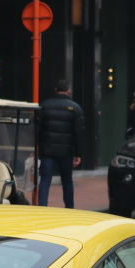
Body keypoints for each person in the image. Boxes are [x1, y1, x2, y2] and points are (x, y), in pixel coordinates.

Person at [37, 79, 86, 208]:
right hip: (66, 152)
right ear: (68, 91)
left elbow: (37, 129)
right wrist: (78, 154)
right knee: (67, 181)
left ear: (56, 90)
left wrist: (36, 147)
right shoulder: (75, 108)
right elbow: (79, 134)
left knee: (45, 179)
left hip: (47, 150)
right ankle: (69, 208)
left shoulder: (44, 105)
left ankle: (42, 207)